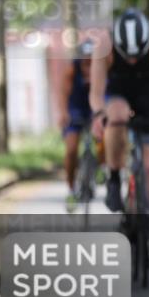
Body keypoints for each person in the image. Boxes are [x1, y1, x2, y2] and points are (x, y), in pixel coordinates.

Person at [89, 9, 149, 261]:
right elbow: (96, 92)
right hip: (117, 96)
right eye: (127, 56)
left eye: (137, 56)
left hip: (148, 100)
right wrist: (99, 115)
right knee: (116, 115)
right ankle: (113, 177)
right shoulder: (104, 45)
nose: (132, 61)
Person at [57, 40, 94, 211]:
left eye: (92, 59)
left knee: (106, 140)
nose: (89, 63)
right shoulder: (73, 69)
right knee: (71, 150)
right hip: (76, 110)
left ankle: (100, 169)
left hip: (95, 110)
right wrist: (64, 113)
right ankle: (71, 188)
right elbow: (63, 92)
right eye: (86, 59)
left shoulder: (102, 69)